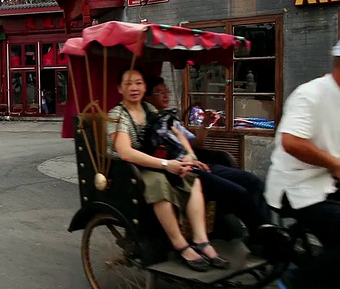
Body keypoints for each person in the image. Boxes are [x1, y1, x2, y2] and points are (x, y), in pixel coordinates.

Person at [108, 69, 228, 272]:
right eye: (128, 84)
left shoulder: (149, 109)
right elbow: (126, 152)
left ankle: (201, 240)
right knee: (158, 182)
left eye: (138, 83)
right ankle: (179, 243)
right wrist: (165, 165)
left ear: (144, 87)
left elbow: (175, 131)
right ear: (120, 89)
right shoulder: (117, 115)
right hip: (129, 169)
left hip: (157, 160)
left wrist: (188, 155)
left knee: (193, 178)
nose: (134, 88)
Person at [143, 76, 270, 244]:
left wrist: (205, 124)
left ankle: (265, 233)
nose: (166, 95)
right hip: (183, 171)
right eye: (159, 92)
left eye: (166, 91)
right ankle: (263, 240)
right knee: (239, 193)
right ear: (148, 98)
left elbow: (196, 144)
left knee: (253, 182)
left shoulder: (170, 119)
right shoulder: (150, 125)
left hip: (199, 163)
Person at [265, 38, 340, 289]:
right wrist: (336, 165)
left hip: (330, 185)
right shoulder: (311, 94)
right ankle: (295, 282)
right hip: (297, 188)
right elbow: (291, 141)